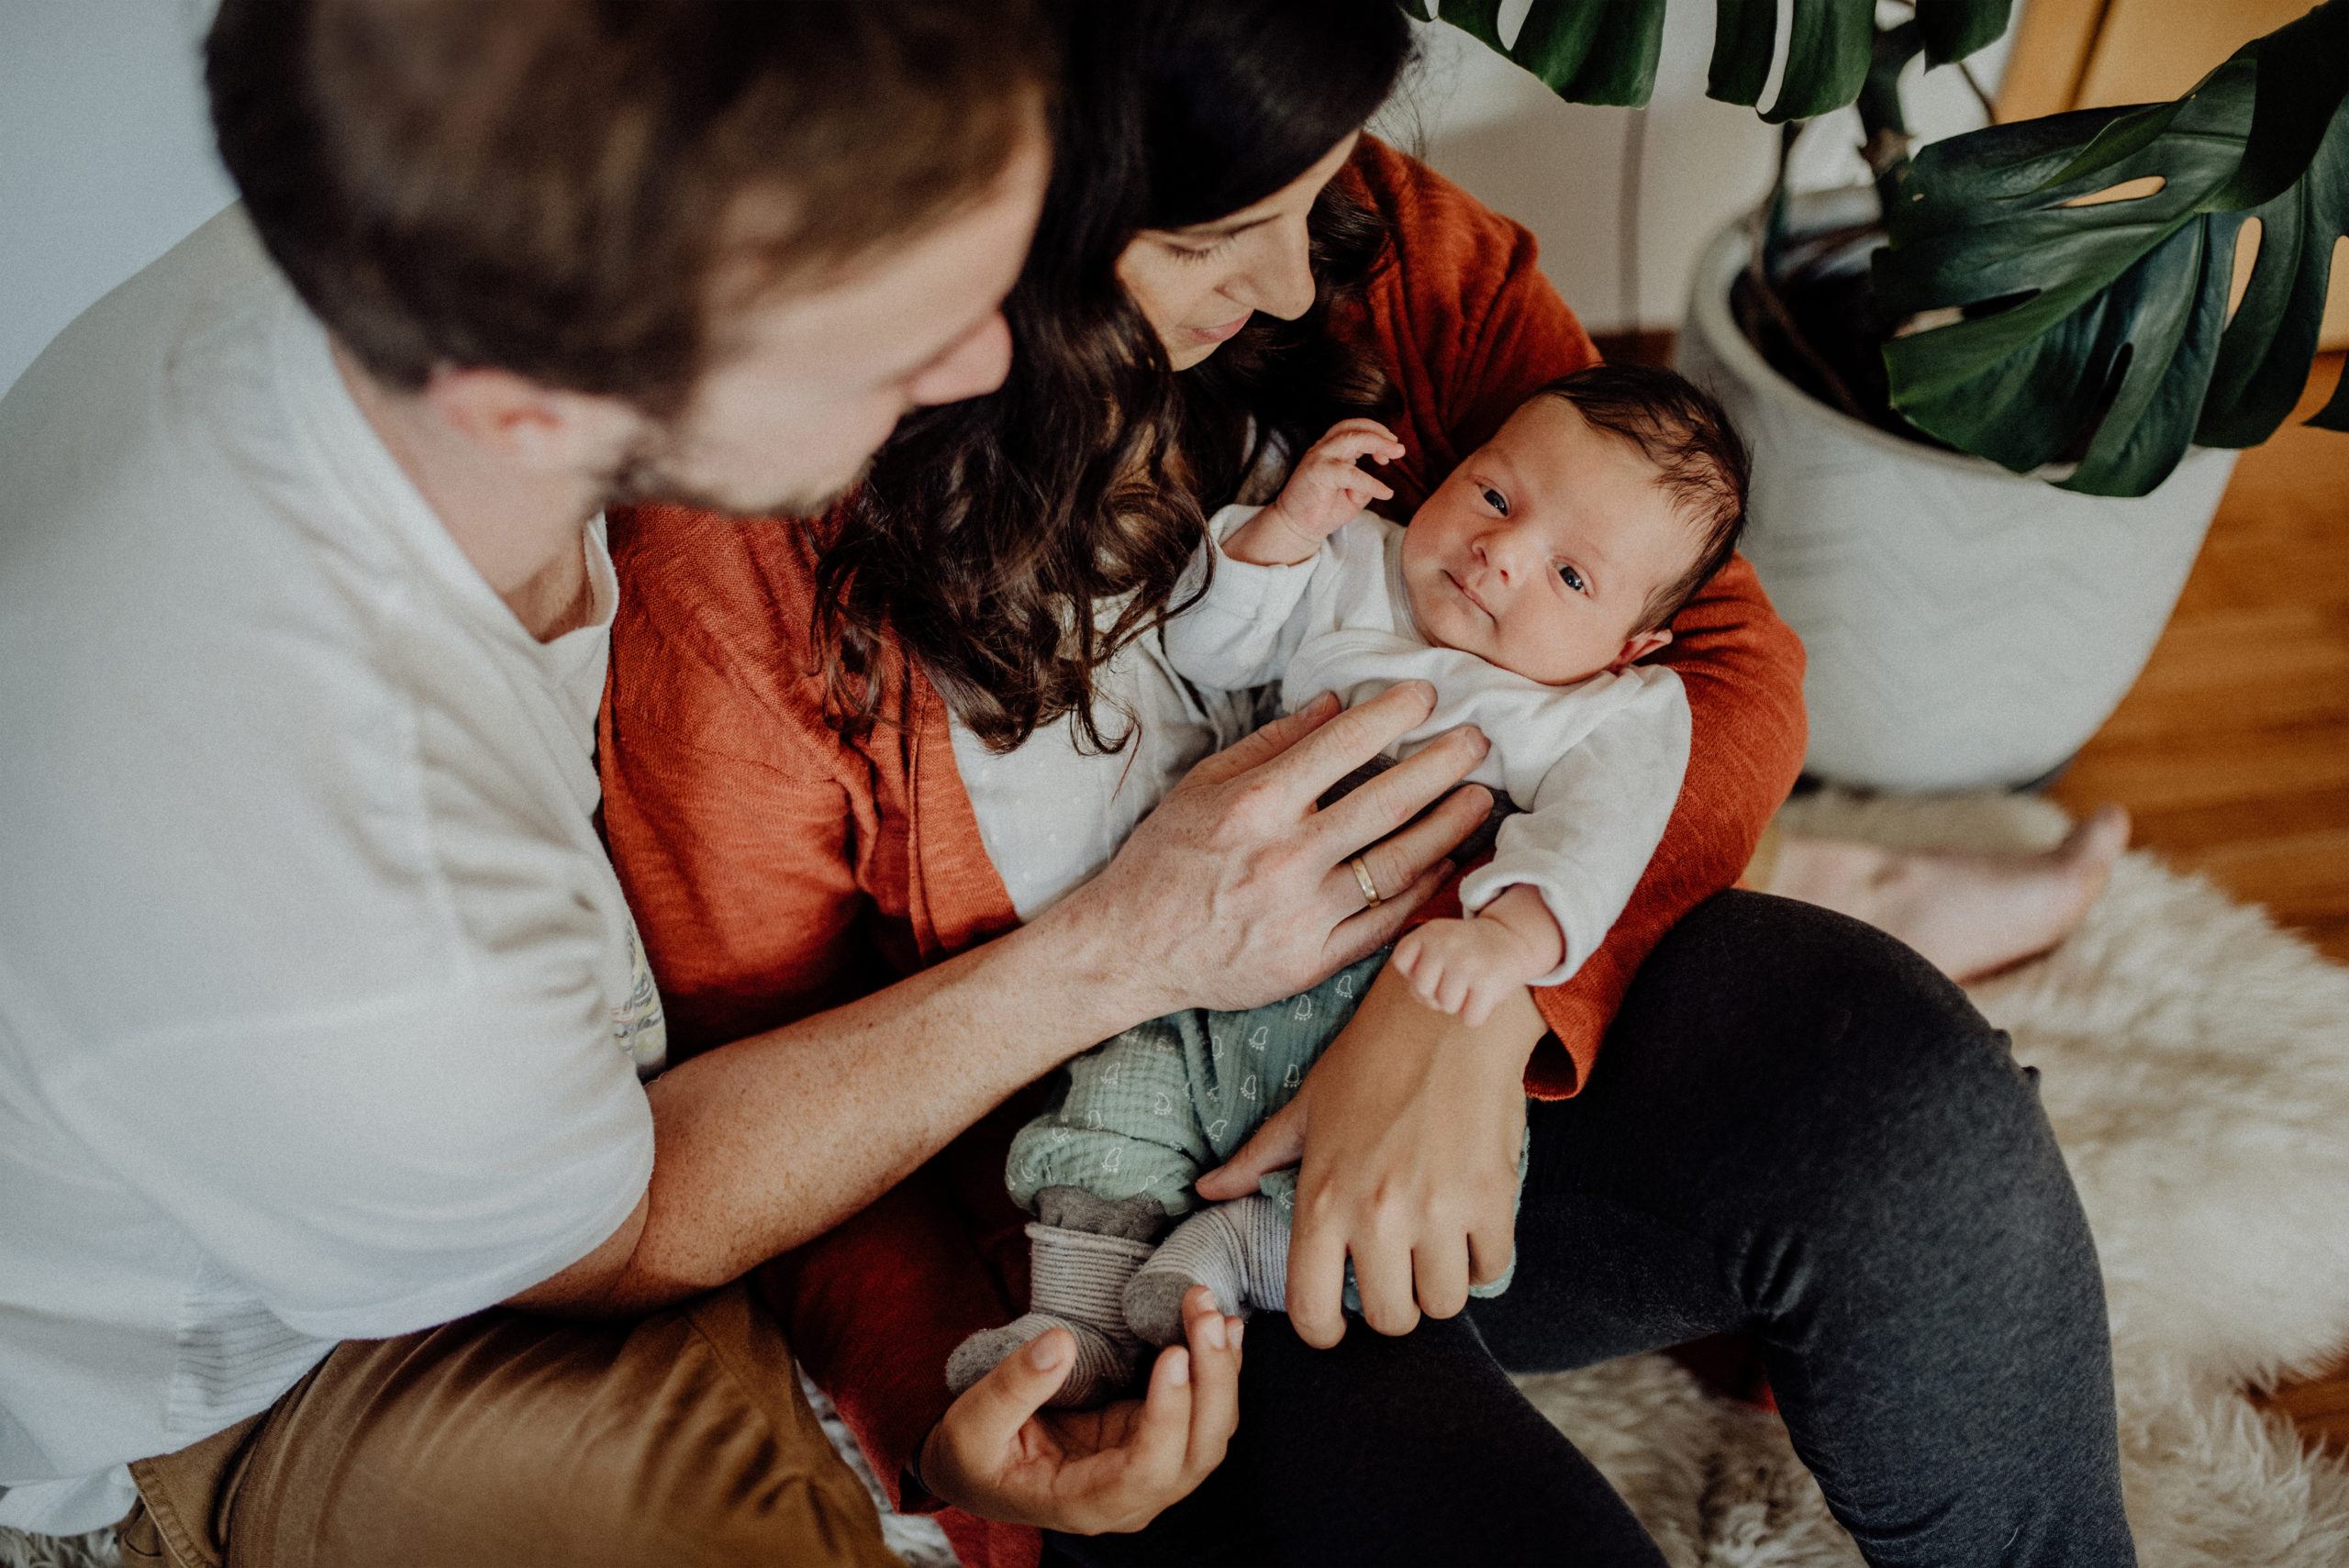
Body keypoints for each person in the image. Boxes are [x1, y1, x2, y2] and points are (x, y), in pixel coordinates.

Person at [598, 4, 2137, 1565]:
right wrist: (1125, 964)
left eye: (1308, 192)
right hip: (1145, 1206)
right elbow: (764, 1124)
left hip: (1462, 1087)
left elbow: (1711, 660)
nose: (1287, 276)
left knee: (1905, 1092)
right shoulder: (744, 559)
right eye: (1211, 238)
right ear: (982, 204)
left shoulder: (1361, 240)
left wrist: (1467, 1009)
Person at [0, 1, 1449, 1561]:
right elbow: (618, 1232)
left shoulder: (449, 230)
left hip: (486, 1138)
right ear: (532, 408)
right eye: (890, 330)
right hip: (243, 1358)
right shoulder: (357, 891)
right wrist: (1132, 944)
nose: (981, 350)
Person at [946, 365, 1752, 1404]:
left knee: (1385, 1206)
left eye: (1572, 577)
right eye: (1495, 496)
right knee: (1112, 1109)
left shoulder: (1605, 712)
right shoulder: (1356, 567)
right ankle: (1074, 1328)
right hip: (1204, 978)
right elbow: (1213, 646)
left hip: (1381, 999)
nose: (1500, 554)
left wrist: (1507, 942)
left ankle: (1234, 1260)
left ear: (1629, 646)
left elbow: (1599, 840)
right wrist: (1284, 531)